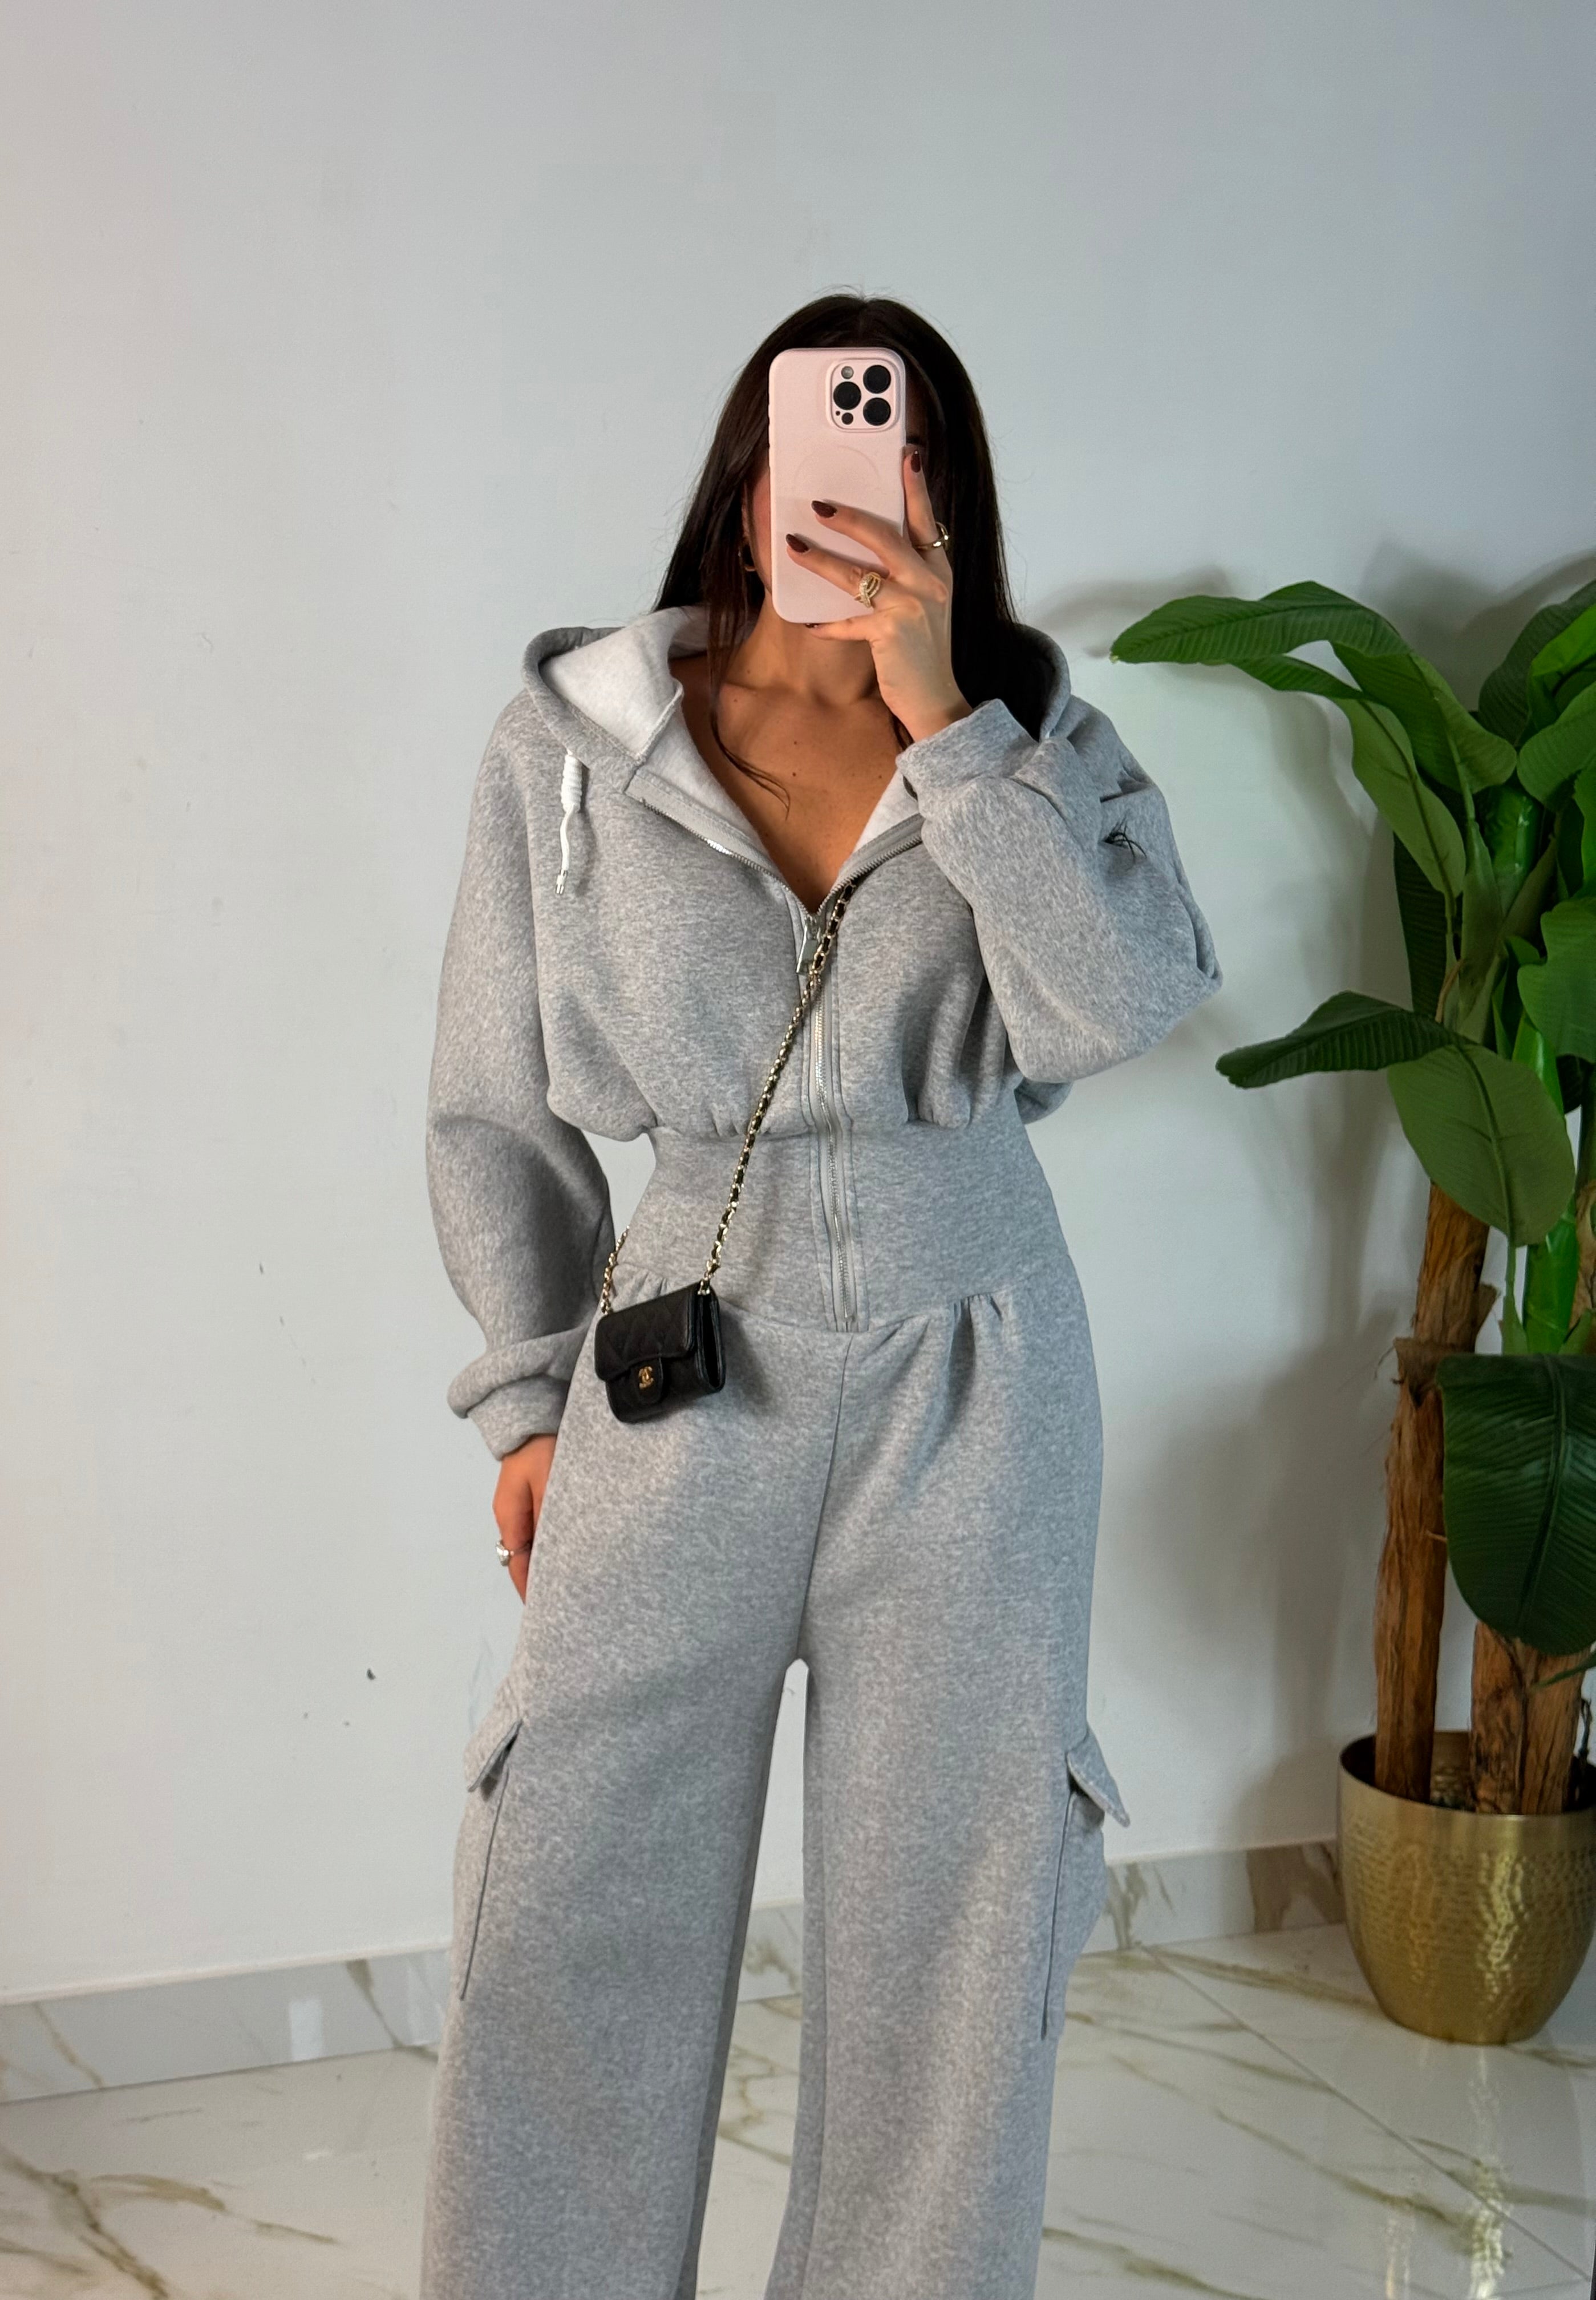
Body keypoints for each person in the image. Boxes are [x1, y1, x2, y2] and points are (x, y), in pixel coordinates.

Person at [418, 291, 1221, 2300]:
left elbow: (1113, 1007)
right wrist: (527, 1397)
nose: (874, 478)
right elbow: (493, 1103)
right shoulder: (570, 749)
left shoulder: (1037, 749)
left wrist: (953, 728)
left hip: (980, 1371)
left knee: (958, 1930)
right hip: (679, 1374)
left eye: (914, 448)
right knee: (572, 1887)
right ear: (752, 464)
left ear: (954, 499)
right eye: (840, 433)